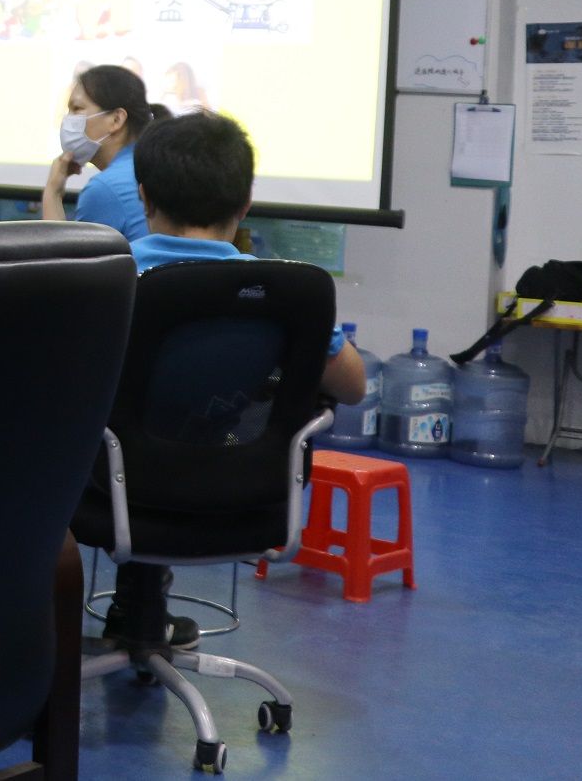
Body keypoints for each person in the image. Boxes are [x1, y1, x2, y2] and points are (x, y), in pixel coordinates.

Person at [103, 110, 364, 650]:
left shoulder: (108, 280)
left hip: (116, 493)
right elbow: (353, 387)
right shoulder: (287, 296)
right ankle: (140, 611)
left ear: (144, 197)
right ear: (245, 203)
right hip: (248, 497)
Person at [40, 63, 169, 242]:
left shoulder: (105, 189)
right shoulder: (155, 165)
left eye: (77, 109)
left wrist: (52, 193)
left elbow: (61, 258)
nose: (67, 120)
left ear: (116, 120)